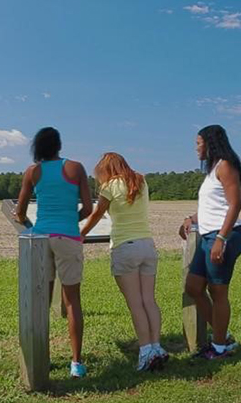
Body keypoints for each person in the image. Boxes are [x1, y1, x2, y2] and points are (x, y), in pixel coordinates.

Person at [14, 127, 93, 378]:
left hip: (40, 238)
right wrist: (71, 218)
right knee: (72, 302)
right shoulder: (76, 168)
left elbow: (19, 211)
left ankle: (41, 356)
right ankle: (76, 363)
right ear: (59, 145)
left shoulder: (32, 172)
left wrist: (32, 227)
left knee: (41, 301)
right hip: (68, 237)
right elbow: (89, 208)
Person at [81, 152, 168, 371]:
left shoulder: (109, 187)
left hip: (125, 247)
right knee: (149, 300)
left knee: (135, 303)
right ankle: (157, 347)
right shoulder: (140, 180)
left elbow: (96, 214)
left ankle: (145, 351)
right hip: (147, 245)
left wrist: (80, 234)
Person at [179, 124, 241, 360]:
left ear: (210, 143)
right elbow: (213, 207)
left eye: (198, 143)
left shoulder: (226, 166)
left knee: (218, 292)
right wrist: (191, 218)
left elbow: (235, 205)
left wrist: (221, 238)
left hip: (224, 236)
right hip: (208, 236)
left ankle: (219, 348)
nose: (196, 148)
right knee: (194, 287)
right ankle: (222, 336)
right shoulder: (212, 170)